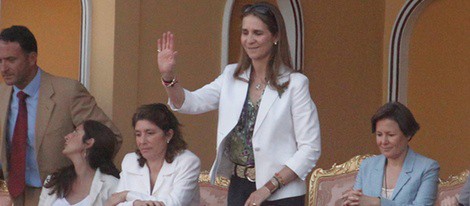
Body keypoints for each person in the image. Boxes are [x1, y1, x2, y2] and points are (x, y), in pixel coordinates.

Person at [157, 2, 321, 205]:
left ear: (276, 36)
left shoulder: (295, 84)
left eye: (257, 33)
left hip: (282, 192)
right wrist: (169, 77)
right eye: (245, 32)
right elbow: (191, 103)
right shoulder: (230, 76)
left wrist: (267, 188)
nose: (249, 40)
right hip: (240, 186)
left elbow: (310, 148)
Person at [0, 25, 122, 205]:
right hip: (13, 195)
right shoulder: (2, 94)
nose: (4, 68)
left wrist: (81, 182)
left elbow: (110, 137)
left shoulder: (68, 92)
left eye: (11, 60)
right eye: (0, 60)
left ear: (32, 58)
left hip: (57, 194)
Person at [342, 102, 440, 206]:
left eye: (391, 135)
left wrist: (377, 202)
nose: (383, 141)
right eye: (379, 135)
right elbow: (357, 201)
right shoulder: (367, 165)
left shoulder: (427, 168)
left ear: (408, 134)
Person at [106, 103, 200, 206]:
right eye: (138, 134)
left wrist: (127, 195)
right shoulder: (130, 160)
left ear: (168, 135)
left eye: (150, 133)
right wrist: (135, 203)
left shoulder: (187, 162)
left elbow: (174, 203)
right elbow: (114, 203)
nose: (142, 141)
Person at [38, 120, 120, 206]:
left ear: (89, 142)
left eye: (76, 132)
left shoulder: (112, 186)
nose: (67, 136)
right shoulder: (53, 181)